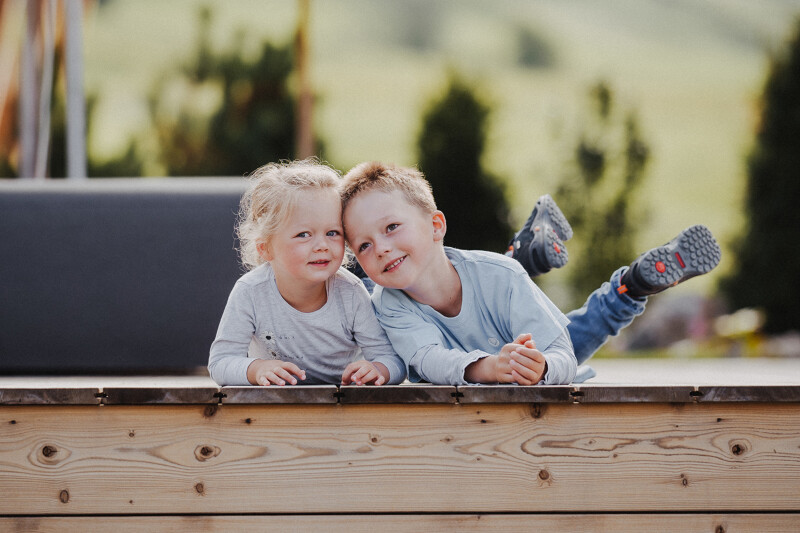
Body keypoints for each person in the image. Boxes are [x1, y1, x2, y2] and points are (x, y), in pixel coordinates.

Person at [340, 162, 721, 386]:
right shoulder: (386, 303)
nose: (382, 248)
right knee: (553, 327)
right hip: (487, 363)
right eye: (364, 246)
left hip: (507, 313)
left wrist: (541, 371)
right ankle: (527, 254)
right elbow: (426, 359)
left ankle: (631, 284)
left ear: (436, 225)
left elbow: (561, 355)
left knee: (562, 332)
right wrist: (489, 367)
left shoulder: (499, 278)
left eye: (391, 228)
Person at [208, 160, 405, 387]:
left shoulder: (350, 293)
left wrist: (378, 370)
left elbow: (393, 361)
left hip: (341, 406)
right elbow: (220, 363)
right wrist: (256, 369)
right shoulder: (251, 292)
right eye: (303, 234)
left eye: (332, 232)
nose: (322, 245)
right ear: (266, 248)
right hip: (275, 404)